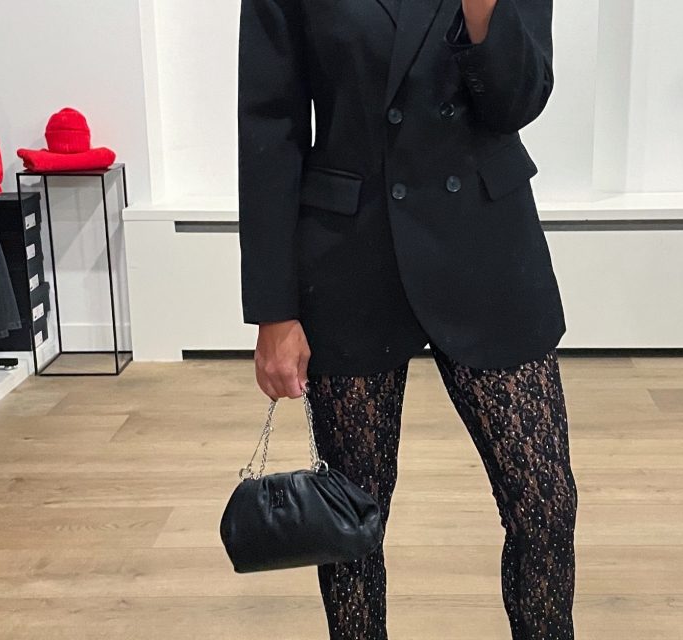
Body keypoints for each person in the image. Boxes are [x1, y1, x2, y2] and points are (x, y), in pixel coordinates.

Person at [237, 0, 577, 637]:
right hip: (350, 251)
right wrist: (274, 310)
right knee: (351, 524)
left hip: (484, 241)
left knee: (546, 503)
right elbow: (269, 125)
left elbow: (518, 101)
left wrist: (483, 11)